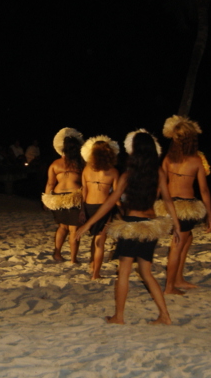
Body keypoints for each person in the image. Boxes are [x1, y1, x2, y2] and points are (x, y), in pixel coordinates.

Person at [76, 130, 180, 325]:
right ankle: (165, 315)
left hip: (131, 226)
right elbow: (168, 200)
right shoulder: (158, 173)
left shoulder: (128, 175)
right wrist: (176, 225)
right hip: (151, 226)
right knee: (146, 273)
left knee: (123, 272)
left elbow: (109, 202)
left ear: (135, 151)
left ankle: (119, 316)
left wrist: (88, 224)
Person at [158, 115, 211, 295]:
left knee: (187, 238)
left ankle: (178, 279)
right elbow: (204, 190)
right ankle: (169, 286)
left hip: (169, 205)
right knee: (177, 245)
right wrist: (209, 214)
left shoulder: (168, 159)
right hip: (185, 208)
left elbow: (161, 185)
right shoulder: (196, 160)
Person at [42, 127, 85, 264]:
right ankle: (73, 259)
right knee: (74, 229)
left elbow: (50, 184)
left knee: (62, 227)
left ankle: (57, 253)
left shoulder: (55, 164)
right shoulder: (80, 163)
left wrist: (46, 200)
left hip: (58, 198)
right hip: (74, 198)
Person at [80, 135, 120, 280]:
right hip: (104, 208)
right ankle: (96, 274)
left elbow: (84, 191)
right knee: (100, 241)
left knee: (95, 238)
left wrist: (82, 209)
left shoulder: (86, 169)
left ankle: (93, 265)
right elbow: (116, 195)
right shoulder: (113, 171)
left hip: (89, 206)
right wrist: (122, 209)